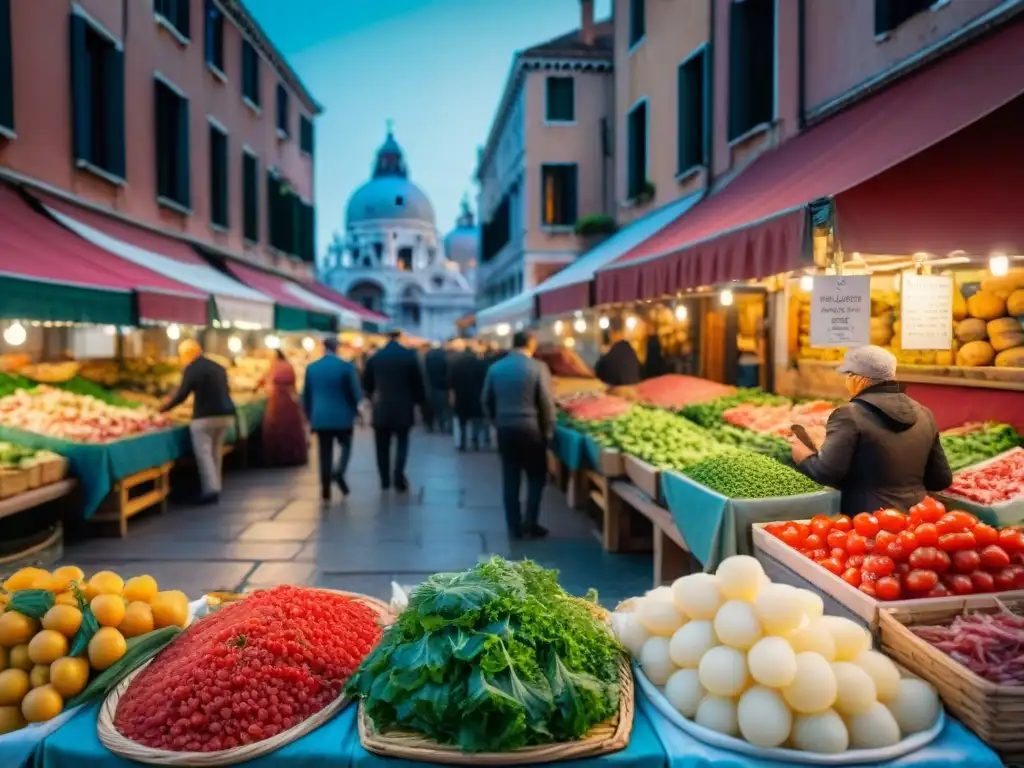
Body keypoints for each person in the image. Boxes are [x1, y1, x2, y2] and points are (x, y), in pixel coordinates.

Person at [791, 345, 953, 516]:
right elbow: (940, 479)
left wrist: (804, 457)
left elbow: (826, 473)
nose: (847, 381)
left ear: (860, 379)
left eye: (849, 375)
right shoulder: (924, 413)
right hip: (916, 520)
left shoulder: (849, 414)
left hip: (868, 522)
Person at [481, 330, 556, 540]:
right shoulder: (538, 368)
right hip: (531, 430)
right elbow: (546, 403)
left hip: (505, 429)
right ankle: (531, 523)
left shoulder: (495, 368)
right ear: (531, 343)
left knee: (510, 478)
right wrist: (548, 431)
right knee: (536, 477)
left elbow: (485, 400)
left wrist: (496, 422)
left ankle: (514, 527)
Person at [161, 339, 236, 505]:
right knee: (216, 451)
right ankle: (217, 485)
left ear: (187, 354)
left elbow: (182, 395)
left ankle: (211, 489)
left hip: (204, 417)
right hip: (225, 414)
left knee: (204, 454)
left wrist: (163, 409)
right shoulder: (218, 367)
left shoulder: (192, 369)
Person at [363, 330, 425, 492]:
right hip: (403, 407)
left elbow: (367, 385)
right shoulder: (409, 357)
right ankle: (398, 474)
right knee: (402, 442)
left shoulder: (375, 357)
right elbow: (418, 384)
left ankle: (384, 479)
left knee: (381, 446)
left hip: (381, 407)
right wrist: (419, 403)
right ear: (399, 338)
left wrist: (371, 398)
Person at [302, 336, 363, 501]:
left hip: (320, 417)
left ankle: (325, 487)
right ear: (337, 348)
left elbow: (306, 395)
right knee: (346, 447)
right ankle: (339, 471)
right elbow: (355, 392)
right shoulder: (345, 367)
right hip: (343, 416)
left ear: (323, 348)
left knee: (324, 452)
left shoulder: (312, 368)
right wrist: (358, 410)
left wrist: (308, 415)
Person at [258, 350, 309, 468]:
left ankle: (277, 457)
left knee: (276, 425)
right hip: (289, 399)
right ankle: (291, 456)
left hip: (277, 399)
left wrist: (257, 387)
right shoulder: (289, 365)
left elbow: (263, 379)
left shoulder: (273, 366)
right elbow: (294, 384)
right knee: (289, 426)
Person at [449, 343, 489, 451]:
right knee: (477, 421)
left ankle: (462, 443)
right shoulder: (481, 364)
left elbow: (451, 384)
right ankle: (475, 442)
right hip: (476, 396)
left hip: (461, 397)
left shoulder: (456, 365)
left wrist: (452, 399)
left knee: (462, 423)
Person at [595, 319, 642, 386]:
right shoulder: (630, 351)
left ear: (613, 334)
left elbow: (600, 371)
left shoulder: (615, 352)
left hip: (620, 389)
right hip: (633, 388)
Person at [424, 342, 451, 433]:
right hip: (441, 386)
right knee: (441, 408)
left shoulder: (428, 357)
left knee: (430, 408)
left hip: (430, 386)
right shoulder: (444, 357)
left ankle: (430, 425)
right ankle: (441, 425)